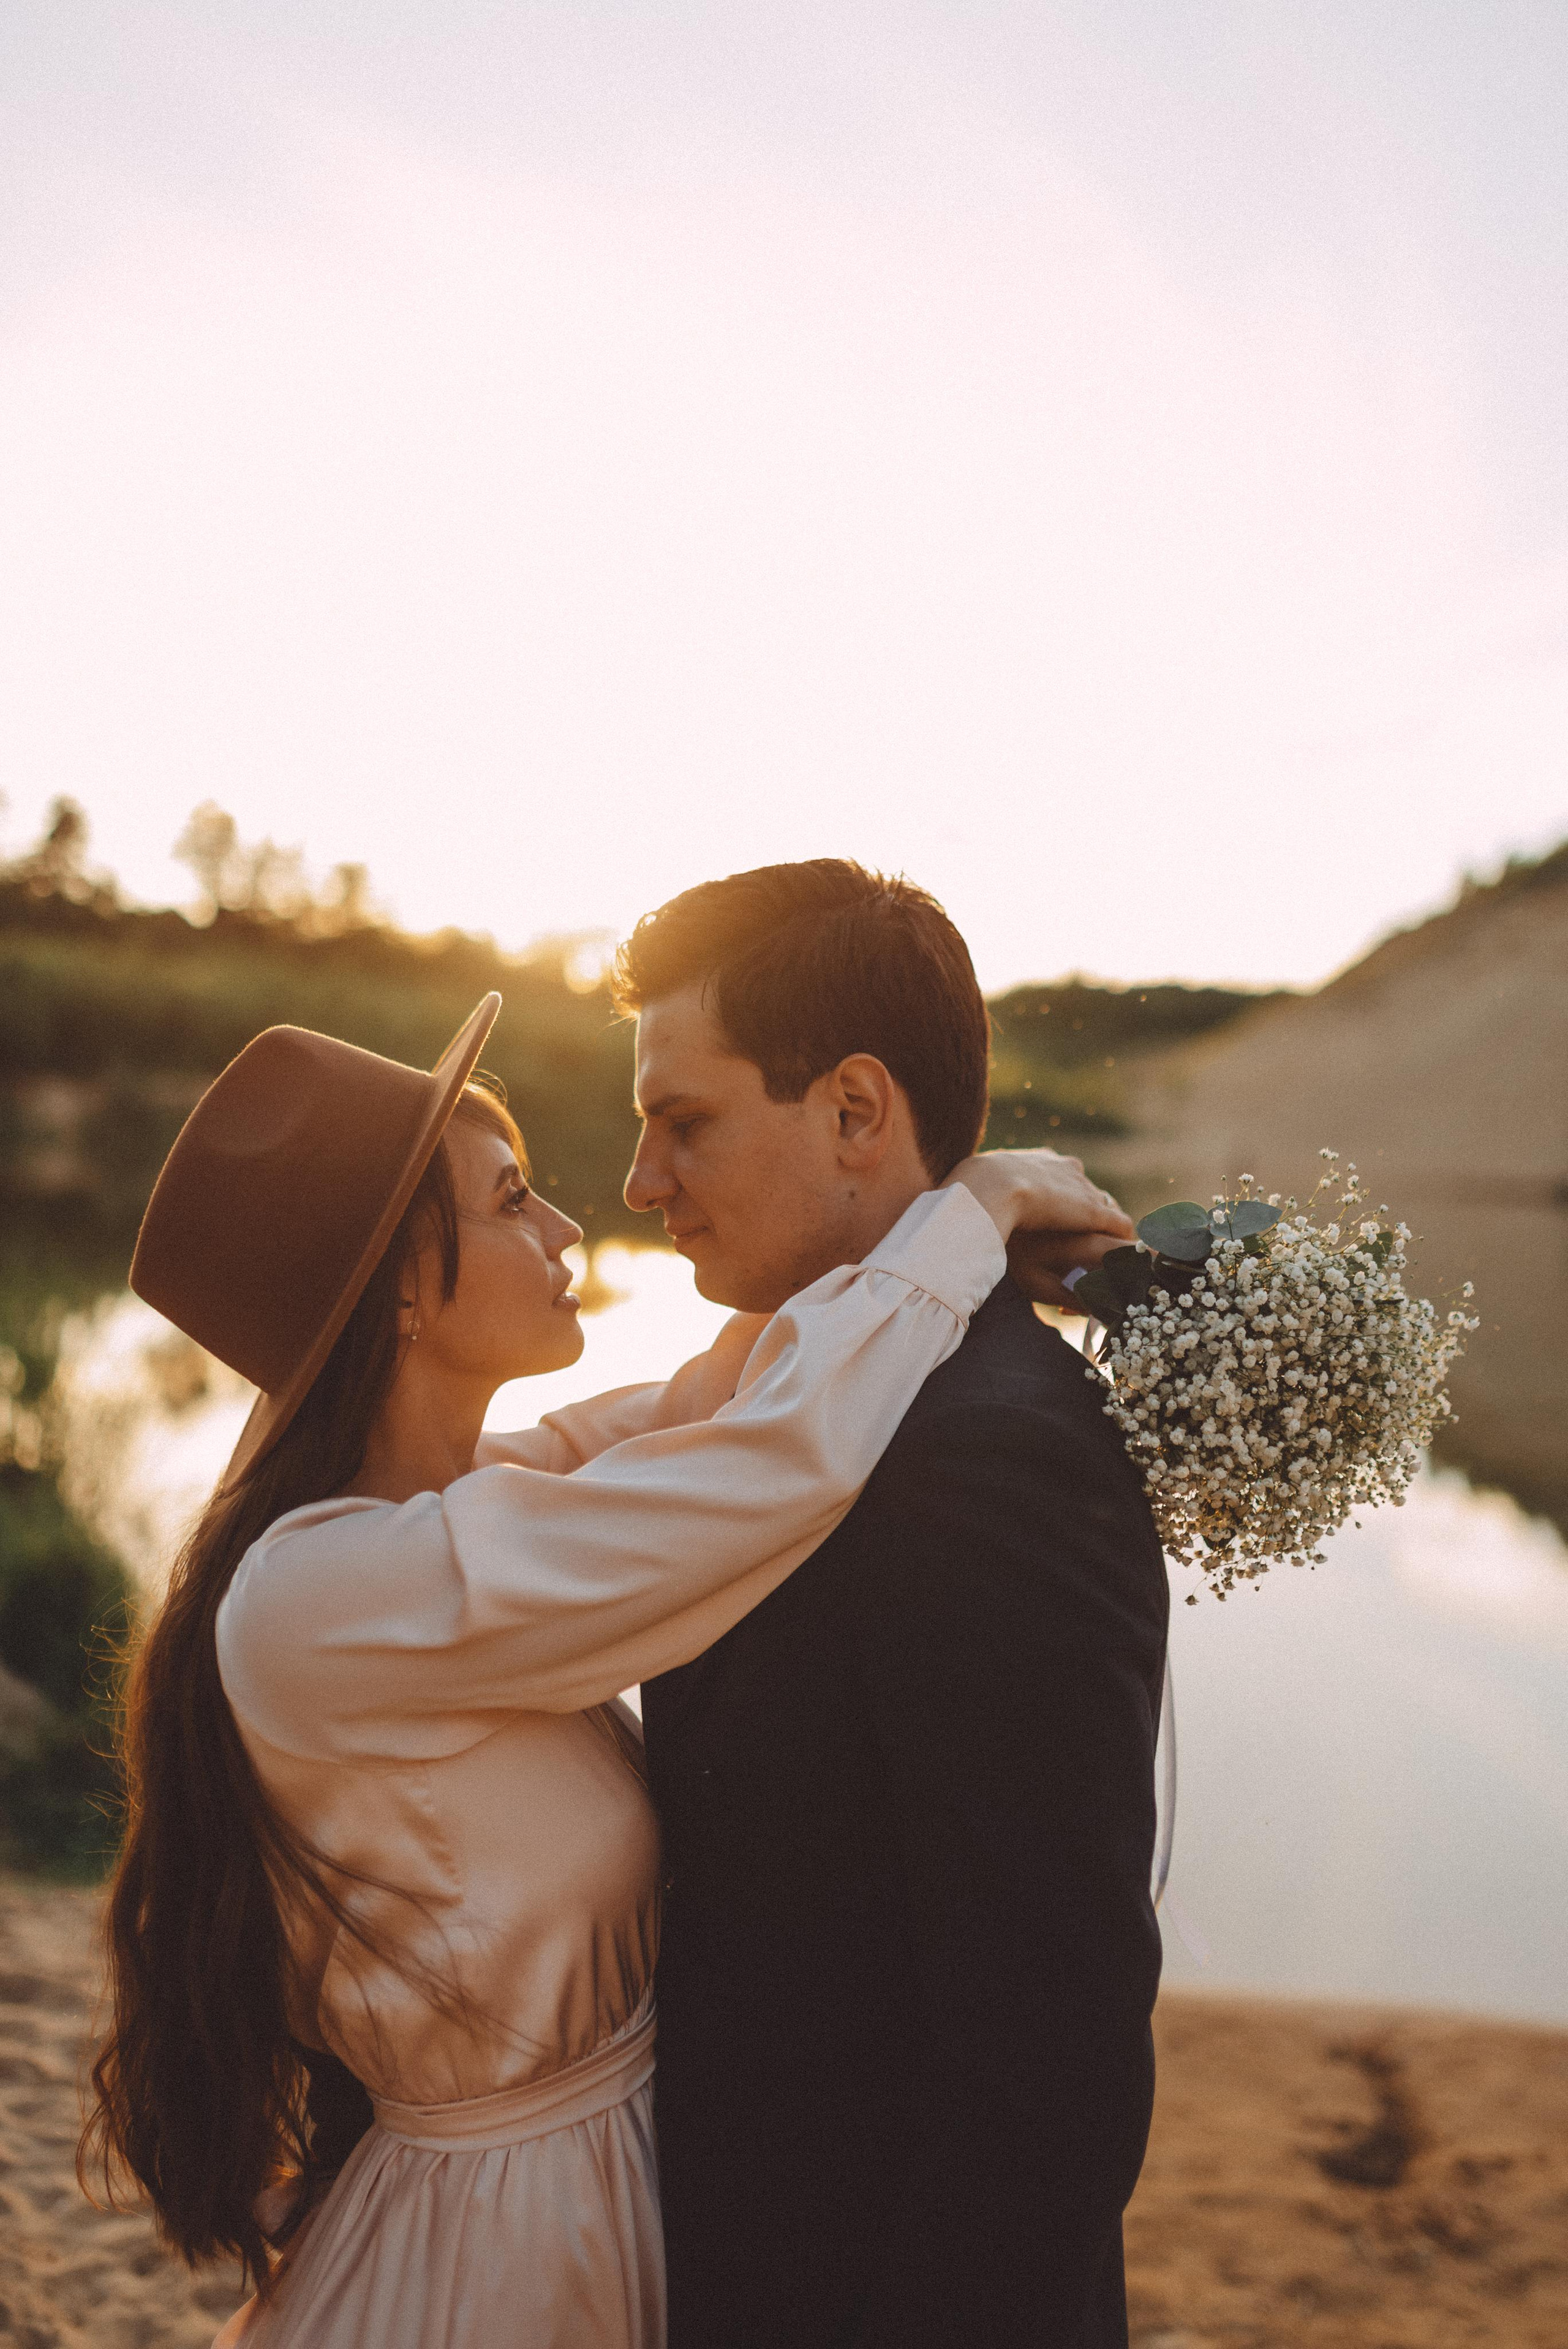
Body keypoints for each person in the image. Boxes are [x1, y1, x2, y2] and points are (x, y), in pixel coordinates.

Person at [80, 986, 1129, 2349]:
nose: (570, 1227)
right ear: (401, 1282)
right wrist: (971, 1211)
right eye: (512, 1199)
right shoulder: (320, 1597)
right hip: (506, 2251)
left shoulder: (458, 1514)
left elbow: (720, 1409)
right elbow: (770, 1467)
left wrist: (923, 1266)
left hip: (592, 2199)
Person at [615, 861, 1169, 2349]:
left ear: (855, 1111)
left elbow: (1046, 2057)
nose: (640, 1183)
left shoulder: (985, 1449)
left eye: (684, 1123)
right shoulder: (792, 1392)